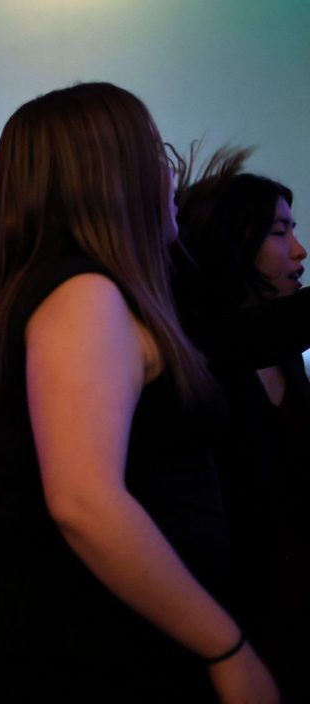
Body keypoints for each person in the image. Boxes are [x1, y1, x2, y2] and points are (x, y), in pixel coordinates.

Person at [0, 83, 278, 702]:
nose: (170, 173)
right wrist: (225, 648)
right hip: (83, 639)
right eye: (153, 152)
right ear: (107, 175)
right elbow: (84, 501)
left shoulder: (80, 291)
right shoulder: (83, 295)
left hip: (98, 629)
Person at [175, 147, 310, 701]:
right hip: (231, 618)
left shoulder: (284, 352)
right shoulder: (197, 351)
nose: (299, 251)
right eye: (280, 232)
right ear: (235, 241)